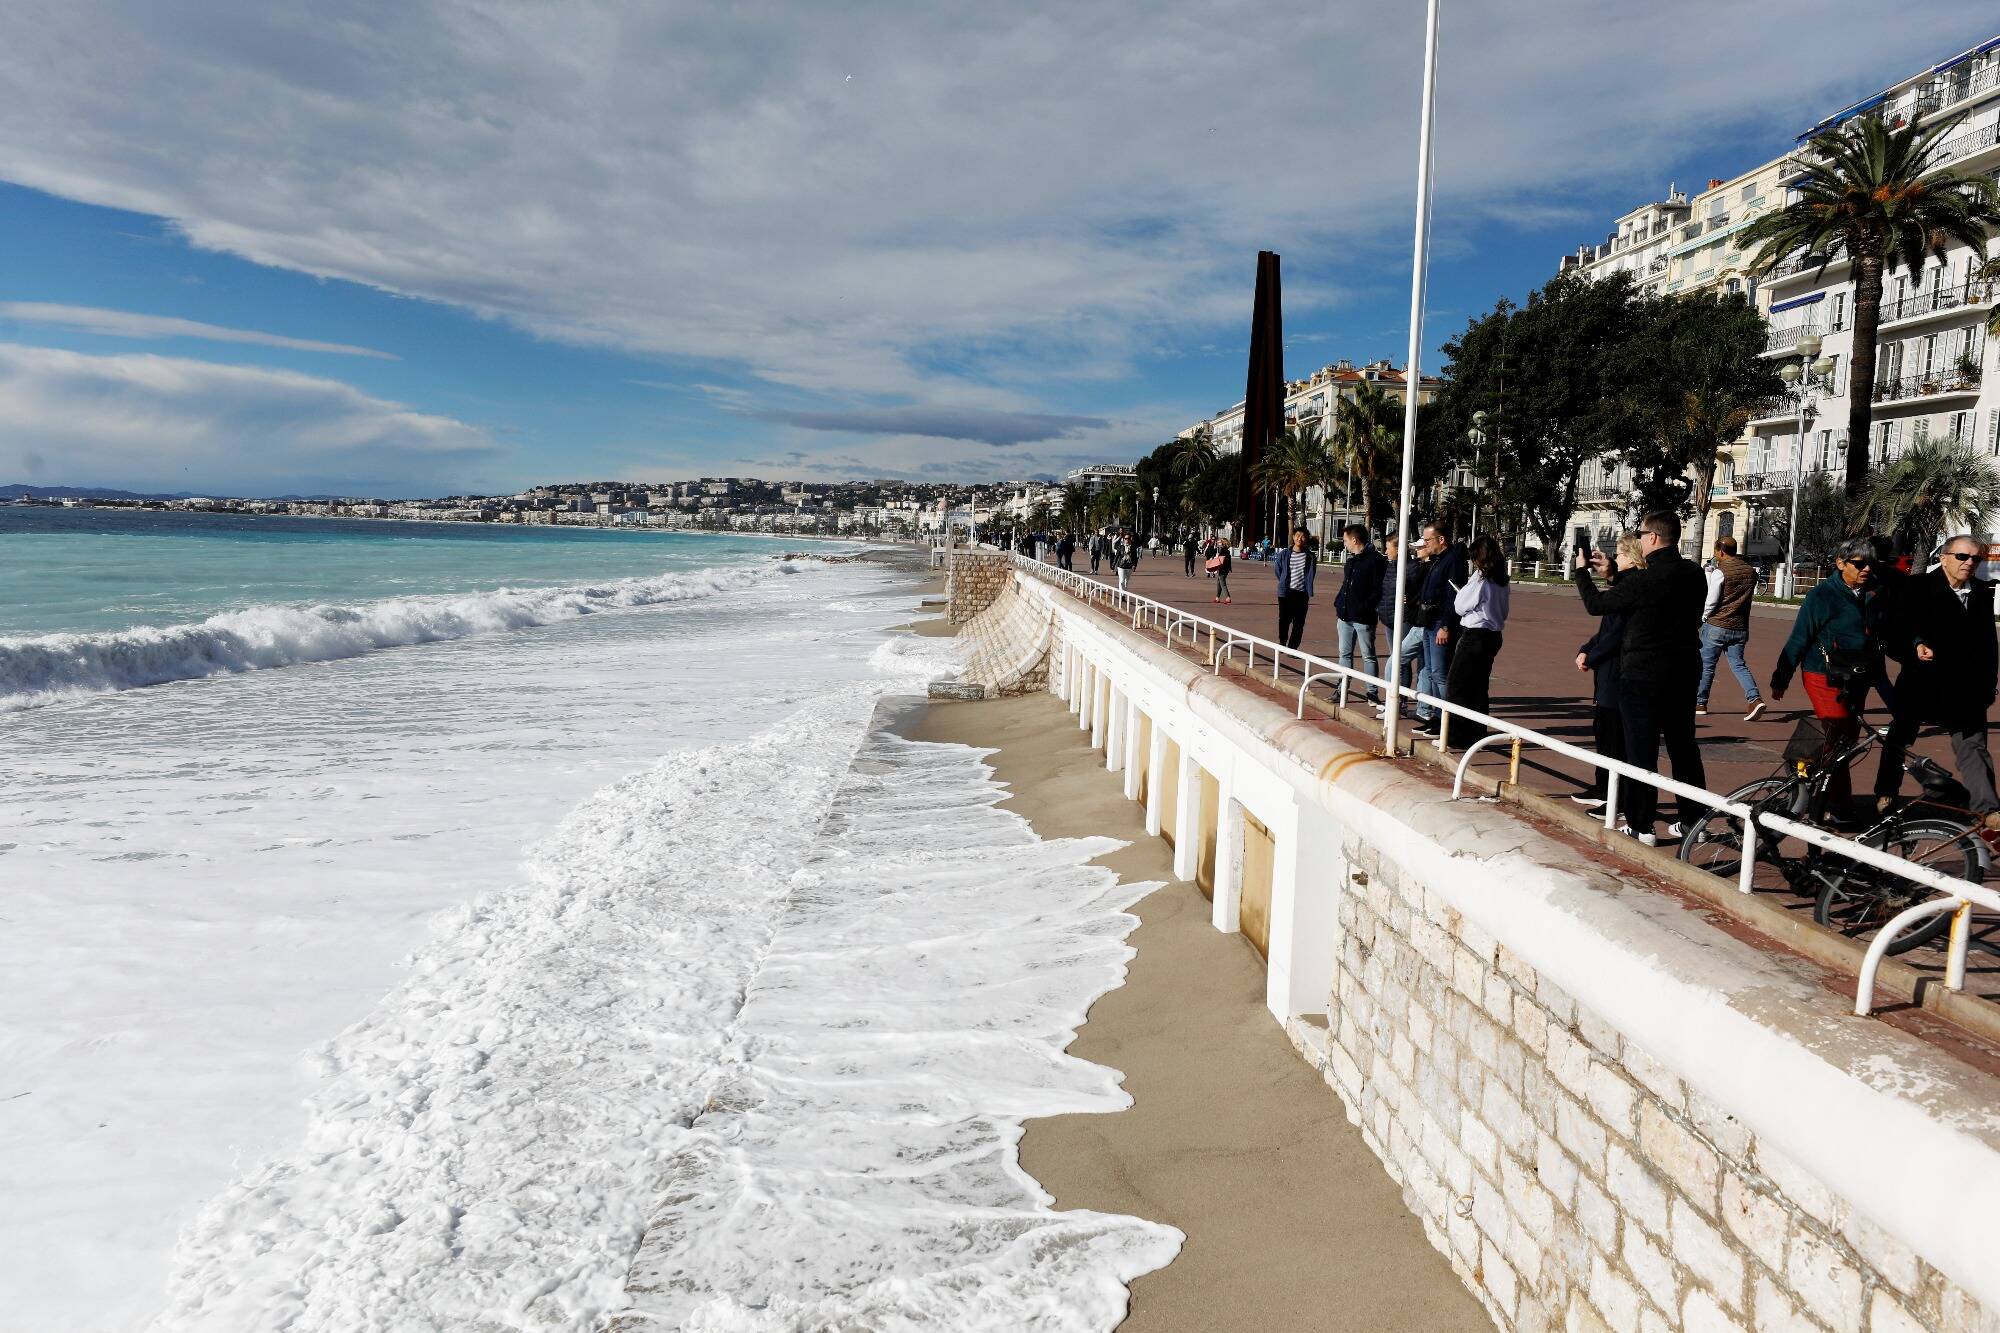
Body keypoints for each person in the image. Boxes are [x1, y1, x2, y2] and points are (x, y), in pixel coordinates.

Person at [1573, 510, 1707, 846]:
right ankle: (1693, 819)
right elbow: (1642, 600)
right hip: (1684, 670)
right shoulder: (1695, 574)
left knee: (1640, 751)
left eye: (1641, 533)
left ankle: (1641, 825)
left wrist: (1581, 574)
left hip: (1642, 674)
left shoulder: (1645, 579)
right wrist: (1615, 574)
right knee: (1684, 748)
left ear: (1653, 537)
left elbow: (1597, 605)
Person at [1874, 534, 2000, 829]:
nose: (1969, 563)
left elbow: (1987, 644)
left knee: (1973, 746)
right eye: (1962, 557)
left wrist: (1988, 682)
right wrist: (1915, 645)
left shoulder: (1982, 591)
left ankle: (1988, 808)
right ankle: (1886, 792)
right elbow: (1895, 630)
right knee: (1899, 739)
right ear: (1943, 557)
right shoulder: (1917, 587)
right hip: (1922, 683)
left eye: (1975, 559)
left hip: (1967, 688)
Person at [1771, 538, 1882, 824]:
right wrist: (1781, 677)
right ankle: (1840, 807)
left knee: (1847, 739)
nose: (1867, 568)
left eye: (1871, 563)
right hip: (1823, 674)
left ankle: (1803, 763)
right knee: (1839, 739)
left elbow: (1886, 633)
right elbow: (1799, 637)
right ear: (1841, 564)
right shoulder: (1822, 595)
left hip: (1856, 677)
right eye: (1859, 563)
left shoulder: (1874, 593)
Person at [1573, 532, 1643, 818]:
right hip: (1609, 670)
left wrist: (1581, 573)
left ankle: (1620, 799)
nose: (1618, 559)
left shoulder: (1635, 588)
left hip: (1619, 671)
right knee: (1603, 732)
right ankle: (1605, 787)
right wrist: (1589, 648)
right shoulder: (1626, 584)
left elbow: (1611, 626)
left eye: (1622, 555)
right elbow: (1606, 627)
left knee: (1616, 738)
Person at [1444, 535, 1511, 745]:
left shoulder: (1481, 580)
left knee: (1456, 685)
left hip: (1475, 635)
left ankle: (1457, 735)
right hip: (1493, 635)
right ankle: (1477, 732)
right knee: (1479, 687)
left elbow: (1460, 606)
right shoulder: (1502, 579)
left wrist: (1463, 591)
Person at [1697, 536, 1766, 722]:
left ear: (1720, 551)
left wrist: (1703, 617)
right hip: (1740, 626)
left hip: (1717, 625)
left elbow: (1712, 599)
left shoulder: (1722, 571)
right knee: (1738, 664)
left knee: (1707, 665)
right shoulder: (1751, 572)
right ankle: (1754, 698)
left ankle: (1700, 702)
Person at [1412, 522, 1467, 735]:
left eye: (1428, 540)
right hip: (1428, 621)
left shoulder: (1452, 561)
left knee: (1440, 673)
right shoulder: (1436, 561)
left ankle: (1450, 720)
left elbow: (1454, 596)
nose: (1425, 544)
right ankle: (1436, 717)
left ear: (1441, 539)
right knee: (1432, 673)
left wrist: (1445, 625)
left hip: (1440, 623)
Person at [1377, 532, 1429, 721]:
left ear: (1398, 549)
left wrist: (1410, 601)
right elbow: (1385, 589)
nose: (1385, 551)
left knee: (1400, 661)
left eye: (1388, 547)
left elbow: (1415, 590)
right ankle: (1395, 700)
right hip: (1389, 617)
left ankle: (1399, 701)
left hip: (1405, 618)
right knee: (1396, 658)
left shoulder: (1413, 568)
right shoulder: (1390, 566)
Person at [1333, 524, 1386, 702]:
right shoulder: (1352, 560)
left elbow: (1379, 589)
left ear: (1354, 540)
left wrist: (1365, 607)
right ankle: (1341, 689)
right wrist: (1339, 601)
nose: (1345, 544)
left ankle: (1372, 692)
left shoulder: (1375, 561)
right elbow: (1346, 585)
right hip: (1345, 615)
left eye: (1346, 540)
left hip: (1363, 617)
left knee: (1368, 655)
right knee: (1344, 654)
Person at [1273, 525, 1318, 649]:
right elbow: (1278, 570)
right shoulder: (1284, 554)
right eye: (1298, 536)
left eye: (1303, 537)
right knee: (1284, 620)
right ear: (1293, 537)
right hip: (1286, 592)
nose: (1300, 538)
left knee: (1299, 622)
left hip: (1302, 594)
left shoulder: (1310, 556)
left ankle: (1293, 648)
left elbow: (1311, 573)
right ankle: (1282, 642)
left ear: (1306, 539)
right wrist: (1283, 581)